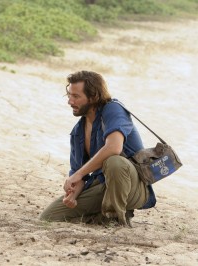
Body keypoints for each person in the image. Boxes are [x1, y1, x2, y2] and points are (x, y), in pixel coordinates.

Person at [40, 70, 156, 226]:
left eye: (76, 96)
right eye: (69, 95)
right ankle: (102, 217)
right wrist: (73, 194)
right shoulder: (77, 131)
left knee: (115, 161)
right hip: (102, 185)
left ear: (93, 97)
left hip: (132, 186)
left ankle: (118, 217)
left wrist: (78, 174)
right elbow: (78, 176)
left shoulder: (113, 109)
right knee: (49, 216)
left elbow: (114, 147)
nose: (70, 101)